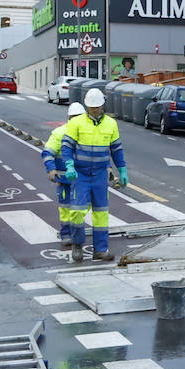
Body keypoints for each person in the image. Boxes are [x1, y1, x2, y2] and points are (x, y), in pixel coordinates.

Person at [61, 88, 128, 263]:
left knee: (101, 213)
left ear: (102, 106)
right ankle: (77, 245)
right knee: (77, 211)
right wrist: (69, 165)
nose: (94, 110)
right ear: (86, 107)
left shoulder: (111, 124)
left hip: (99, 175)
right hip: (80, 174)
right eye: (91, 108)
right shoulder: (76, 123)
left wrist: (122, 169)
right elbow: (67, 146)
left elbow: (116, 149)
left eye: (97, 107)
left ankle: (101, 249)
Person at [41, 101, 85, 248]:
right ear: (70, 118)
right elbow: (48, 152)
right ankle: (66, 233)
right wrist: (51, 169)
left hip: (82, 180)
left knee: (80, 208)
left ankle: (76, 233)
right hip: (64, 179)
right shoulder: (60, 133)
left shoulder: (87, 133)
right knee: (66, 208)